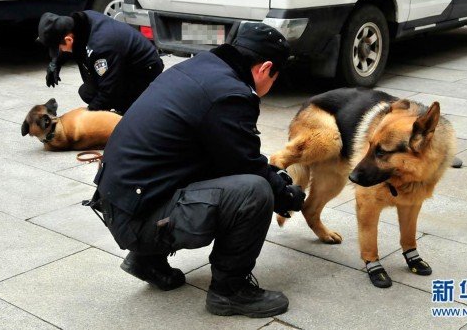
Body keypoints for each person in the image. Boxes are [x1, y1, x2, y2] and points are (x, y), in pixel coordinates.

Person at [89, 22, 305, 318]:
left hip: (121, 204)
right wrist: (286, 195)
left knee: (211, 165)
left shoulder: (201, 68)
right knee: (254, 192)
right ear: (265, 68)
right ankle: (230, 292)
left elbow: (228, 154)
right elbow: (246, 167)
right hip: (137, 219)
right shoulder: (230, 94)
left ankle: (146, 261)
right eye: (276, 77)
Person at [37, 11, 164, 114]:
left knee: (112, 103)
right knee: (87, 92)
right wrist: (55, 63)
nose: (60, 51)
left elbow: (108, 91)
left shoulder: (101, 47)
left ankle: (132, 107)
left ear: (69, 39)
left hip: (145, 70)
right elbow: (66, 47)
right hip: (123, 62)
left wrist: (87, 115)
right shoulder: (80, 23)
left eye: (58, 48)